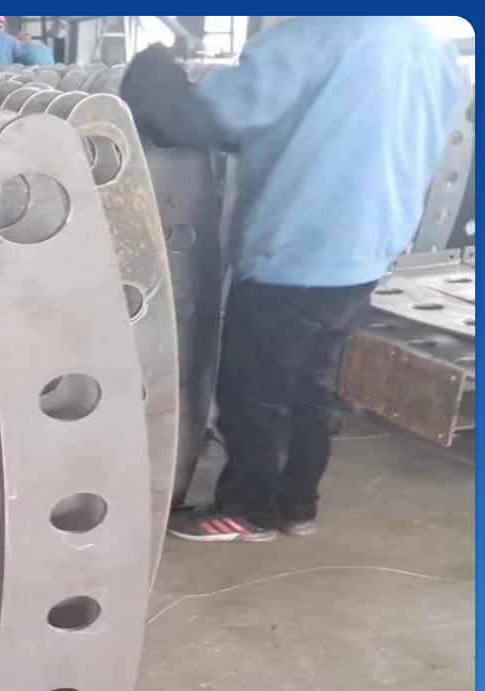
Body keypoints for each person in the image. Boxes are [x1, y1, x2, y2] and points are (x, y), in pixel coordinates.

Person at [121, 17, 464, 543]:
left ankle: (248, 510)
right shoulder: (427, 46)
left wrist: (153, 69)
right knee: (311, 386)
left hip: (297, 250)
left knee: (252, 393)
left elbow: (197, 120)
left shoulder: (309, 39)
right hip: (365, 255)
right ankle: (298, 505)